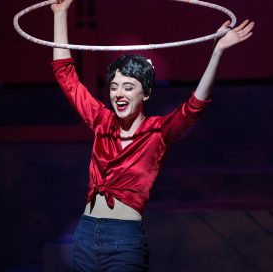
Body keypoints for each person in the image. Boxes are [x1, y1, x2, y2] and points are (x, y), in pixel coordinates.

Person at [51, 0, 254, 271]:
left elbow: (194, 106)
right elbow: (66, 76)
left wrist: (217, 51)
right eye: (114, 87)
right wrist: (60, 14)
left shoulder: (158, 131)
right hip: (85, 236)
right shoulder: (101, 121)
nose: (118, 94)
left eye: (128, 87)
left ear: (145, 93)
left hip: (124, 241)